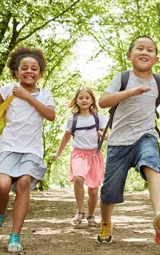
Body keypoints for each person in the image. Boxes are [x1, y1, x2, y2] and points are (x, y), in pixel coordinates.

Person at [96, 36, 160, 245]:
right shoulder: (122, 78)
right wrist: (133, 91)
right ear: (129, 55)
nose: (145, 52)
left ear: (156, 59)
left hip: (146, 135)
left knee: (153, 165)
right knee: (110, 190)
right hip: (118, 142)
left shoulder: (159, 83)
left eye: (150, 50)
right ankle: (106, 221)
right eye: (140, 48)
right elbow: (103, 101)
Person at [0, 46, 55, 253]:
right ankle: (0, 215)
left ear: (40, 74)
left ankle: (15, 236)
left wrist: (27, 97)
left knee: (24, 184)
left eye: (34, 68)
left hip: (32, 149)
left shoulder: (45, 95)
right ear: (16, 72)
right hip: (8, 146)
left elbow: (50, 115)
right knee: (2, 185)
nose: (29, 71)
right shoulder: (8, 90)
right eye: (24, 68)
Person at [51, 87, 107, 228]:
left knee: (93, 190)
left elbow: (106, 136)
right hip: (78, 154)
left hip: (95, 155)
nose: (84, 100)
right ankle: (80, 211)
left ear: (92, 100)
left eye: (87, 98)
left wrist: (102, 135)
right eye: (81, 98)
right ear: (76, 100)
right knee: (78, 178)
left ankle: (91, 215)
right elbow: (66, 137)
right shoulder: (72, 120)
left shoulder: (98, 117)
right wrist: (57, 153)